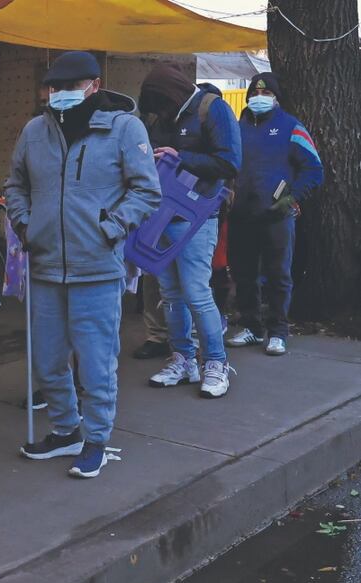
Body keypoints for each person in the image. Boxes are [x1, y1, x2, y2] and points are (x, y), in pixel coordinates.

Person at [6, 51, 160, 478]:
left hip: (97, 266)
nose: (60, 95)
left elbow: (147, 191)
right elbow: (15, 183)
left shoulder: (124, 129)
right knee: (48, 360)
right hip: (45, 266)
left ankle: (96, 439)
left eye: (70, 88)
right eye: (54, 88)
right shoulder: (35, 131)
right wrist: (23, 222)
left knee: (96, 362)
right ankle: (65, 430)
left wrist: (111, 228)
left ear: (93, 86)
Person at [139, 63, 241, 399]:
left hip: (198, 215)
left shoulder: (214, 110)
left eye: (161, 107)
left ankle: (216, 362)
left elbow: (229, 163)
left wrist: (180, 156)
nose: (160, 115)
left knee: (197, 291)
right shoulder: (164, 116)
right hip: (162, 214)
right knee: (170, 293)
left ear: (171, 96)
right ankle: (183, 359)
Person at [227, 72, 323, 356]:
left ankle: (278, 331)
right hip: (241, 214)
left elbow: (314, 169)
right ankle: (252, 327)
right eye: (255, 94)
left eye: (266, 94)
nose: (260, 98)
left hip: (277, 216)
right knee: (244, 274)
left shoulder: (291, 127)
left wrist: (292, 197)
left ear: (276, 98)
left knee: (279, 274)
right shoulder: (236, 127)